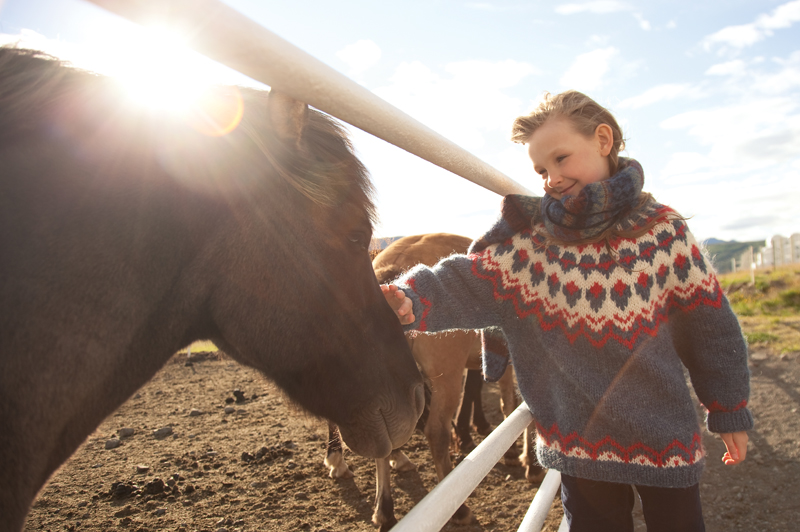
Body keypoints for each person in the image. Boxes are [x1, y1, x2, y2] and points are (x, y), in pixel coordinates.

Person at [382, 90, 753, 532]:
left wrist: (728, 408)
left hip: (665, 436)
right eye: (541, 170)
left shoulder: (662, 233)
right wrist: (411, 297)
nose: (551, 179)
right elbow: (471, 277)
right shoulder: (534, 245)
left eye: (561, 158)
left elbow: (711, 328)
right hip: (579, 446)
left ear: (603, 140)